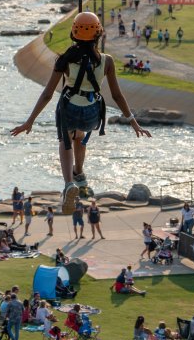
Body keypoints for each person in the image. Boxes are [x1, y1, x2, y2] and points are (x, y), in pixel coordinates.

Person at [11, 11, 151, 215]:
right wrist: (133, 122)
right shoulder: (107, 61)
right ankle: (79, 172)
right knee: (80, 136)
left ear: (73, 34)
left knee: (65, 140)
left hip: (69, 108)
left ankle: (69, 183)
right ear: (99, 34)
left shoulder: (64, 59)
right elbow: (117, 96)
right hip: (92, 113)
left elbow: (47, 94)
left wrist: (29, 121)